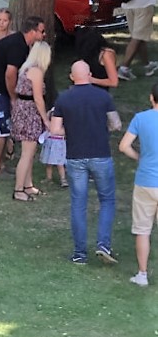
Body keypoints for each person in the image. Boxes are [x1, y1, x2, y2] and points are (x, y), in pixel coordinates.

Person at [49, 60, 123, 265]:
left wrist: (72, 131)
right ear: (89, 74)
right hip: (100, 154)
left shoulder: (64, 99)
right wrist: (102, 128)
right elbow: (116, 124)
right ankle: (103, 244)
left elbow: (55, 130)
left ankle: (80, 253)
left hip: (75, 157)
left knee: (78, 204)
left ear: (72, 77)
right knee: (107, 200)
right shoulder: (103, 96)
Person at [0, 14, 46, 179]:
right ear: (33, 31)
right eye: (42, 31)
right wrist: (14, 97)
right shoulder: (18, 46)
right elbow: (10, 74)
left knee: (5, 128)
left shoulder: (20, 42)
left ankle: (1, 164)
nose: (44, 35)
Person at [117, 82, 158, 285]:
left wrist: (138, 157)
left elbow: (124, 146)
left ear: (152, 97)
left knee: (143, 230)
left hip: (146, 181)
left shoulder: (141, 118)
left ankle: (142, 274)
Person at [12, 41, 53, 201]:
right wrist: (45, 119)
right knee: (27, 154)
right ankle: (18, 189)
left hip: (21, 110)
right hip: (30, 112)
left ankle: (28, 185)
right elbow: (38, 98)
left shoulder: (25, 68)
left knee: (28, 153)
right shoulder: (36, 71)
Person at [74, 26, 120, 90]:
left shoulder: (106, 54)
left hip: (99, 91)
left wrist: (91, 80)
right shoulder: (85, 54)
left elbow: (114, 82)